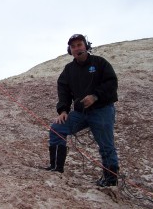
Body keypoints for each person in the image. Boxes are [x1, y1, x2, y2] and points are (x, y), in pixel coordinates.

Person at [45, 33, 119, 187]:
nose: (76, 48)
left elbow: (112, 83)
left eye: (79, 45)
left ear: (86, 46)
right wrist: (63, 111)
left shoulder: (100, 63)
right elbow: (63, 90)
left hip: (102, 110)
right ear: (69, 50)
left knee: (106, 145)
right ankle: (56, 169)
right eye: (73, 46)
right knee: (57, 128)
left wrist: (95, 96)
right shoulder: (69, 69)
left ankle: (110, 180)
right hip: (81, 113)